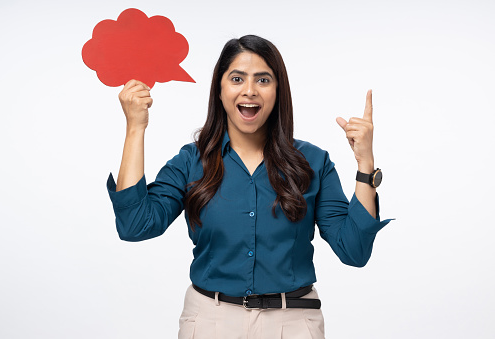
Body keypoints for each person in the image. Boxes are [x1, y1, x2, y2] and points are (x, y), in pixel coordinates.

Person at [106, 35, 391, 339]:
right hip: (209, 322)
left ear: (278, 90)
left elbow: (354, 251)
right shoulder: (191, 161)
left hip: (293, 323)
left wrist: (364, 164)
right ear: (220, 89)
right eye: (237, 78)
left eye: (263, 80)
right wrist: (135, 127)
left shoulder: (313, 161)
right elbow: (134, 226)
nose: (250, 90)